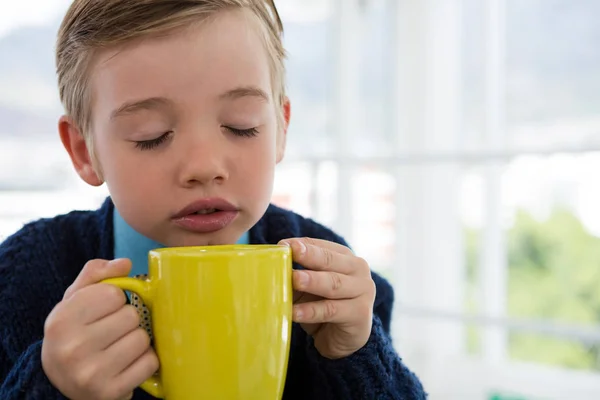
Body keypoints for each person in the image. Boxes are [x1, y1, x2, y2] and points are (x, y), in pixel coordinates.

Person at [0, 1, 427, 399]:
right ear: (83, 151)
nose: (204, 166)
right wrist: (50, 384)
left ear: (280, 127)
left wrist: (355, 355)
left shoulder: (323, 276)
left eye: (241, 127)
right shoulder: (24, 277)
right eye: (151, 136)